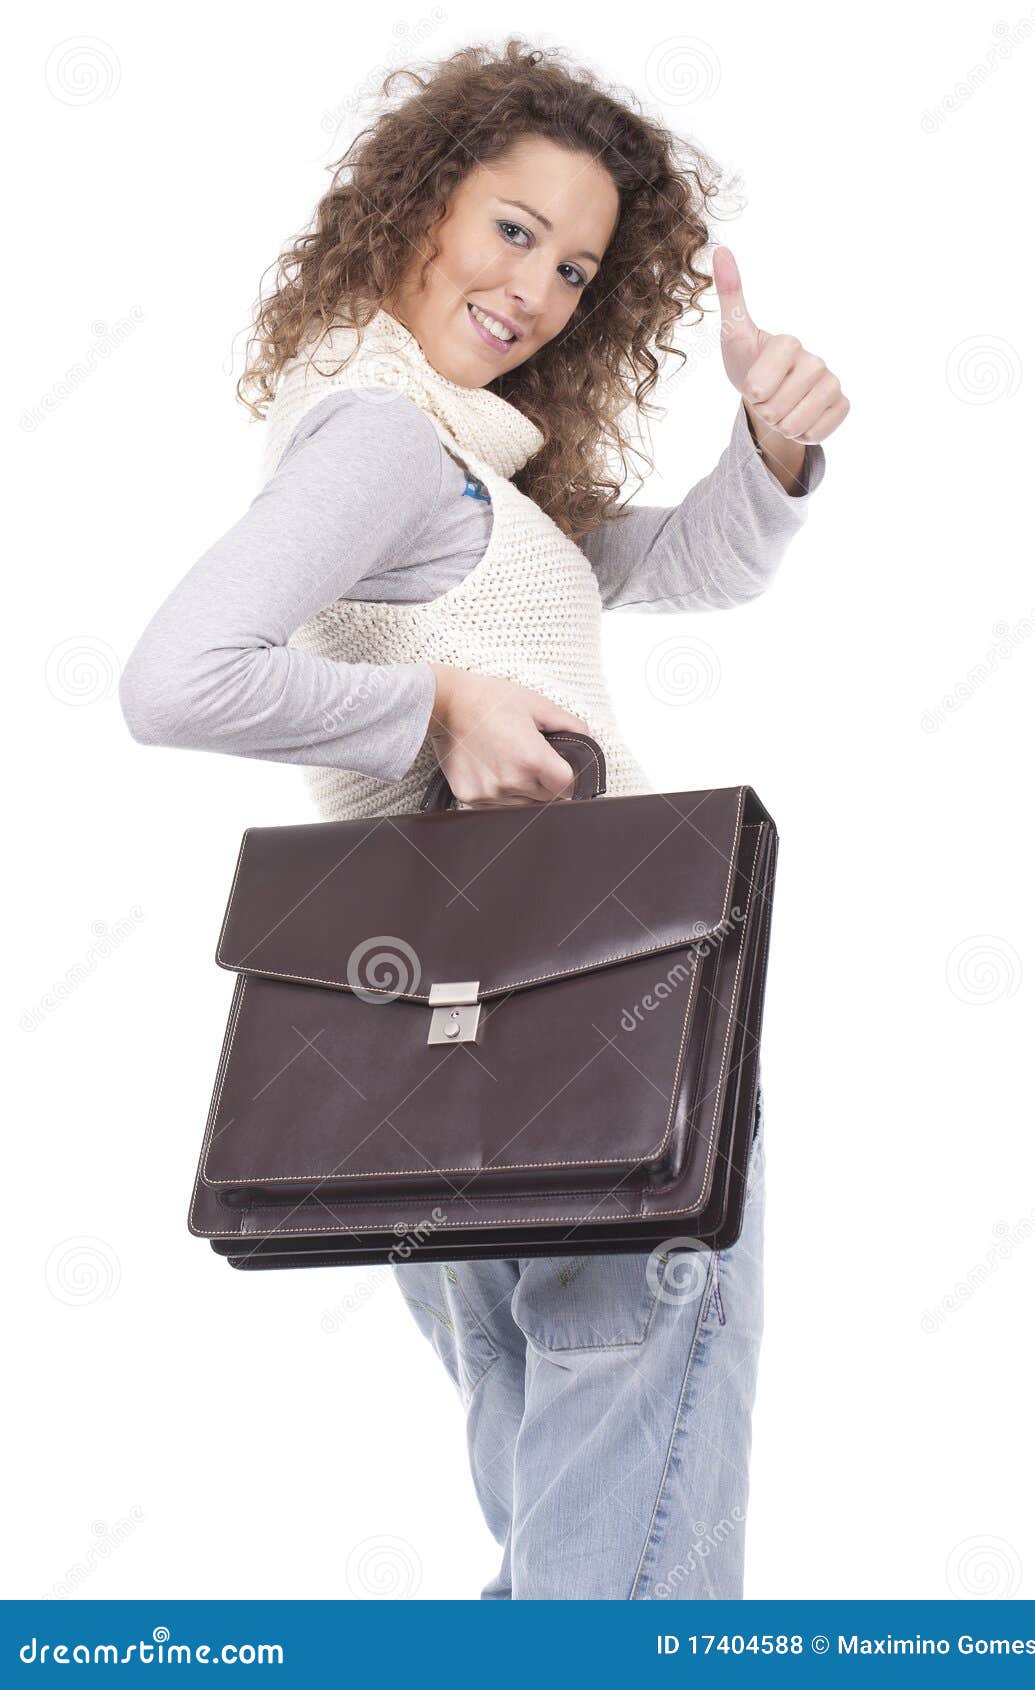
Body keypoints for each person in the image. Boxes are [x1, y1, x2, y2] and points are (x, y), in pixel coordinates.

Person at [118, 38, 846, 1599]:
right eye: (512, 228)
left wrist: (775, 438)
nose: (537, 288)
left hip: (448, 1055)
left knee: (574, 1527)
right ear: (416, 205)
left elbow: (687, 562)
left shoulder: (466, 465)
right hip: (588, 1023)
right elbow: (174, 678)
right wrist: (436, 710)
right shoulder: (384, 442)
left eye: (577, 266)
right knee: (632, 1550)